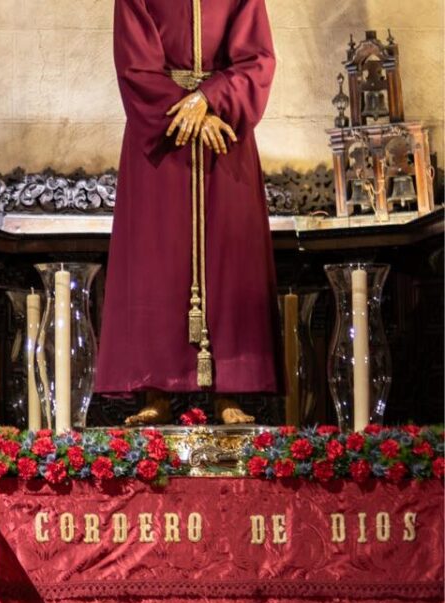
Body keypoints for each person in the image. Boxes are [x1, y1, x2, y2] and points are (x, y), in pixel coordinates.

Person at [95, 0, 281, 425]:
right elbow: (135, 66)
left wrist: (211, 101)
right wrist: (192, 110)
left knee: (231, 262)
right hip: (161, 136)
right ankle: (154, 390)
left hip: (225, 137)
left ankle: (229, 389)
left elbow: (258, 59)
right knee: (156, 262)